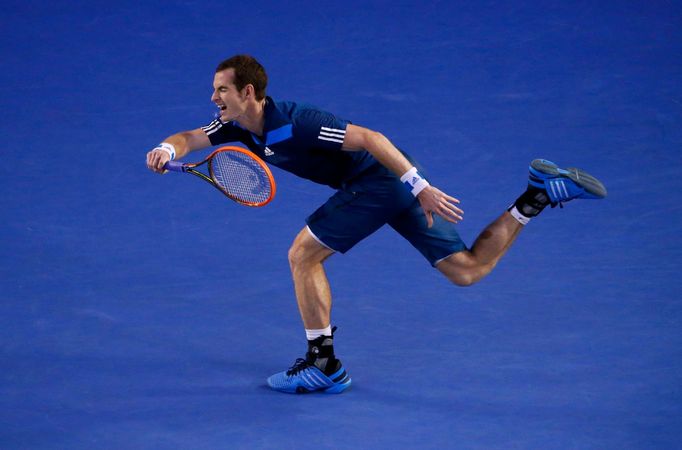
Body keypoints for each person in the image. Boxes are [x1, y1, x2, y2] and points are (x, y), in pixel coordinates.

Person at [146, 55, 606, 394]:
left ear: (248, 92)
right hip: (387, 185)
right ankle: (539, 195)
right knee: (466, 270)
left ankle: (322, 364)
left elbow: (370, 137)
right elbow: (189, 137)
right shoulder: (235, 126)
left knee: (302, 254)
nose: (213, 98)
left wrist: (418, 185)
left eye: (221, 90)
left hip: (382, 181)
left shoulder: (296, 121)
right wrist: (168, 150)